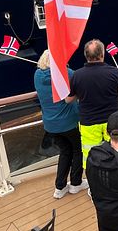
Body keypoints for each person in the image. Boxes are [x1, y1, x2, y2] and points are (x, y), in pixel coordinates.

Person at [66, 39, 118, 169]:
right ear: (102, 54)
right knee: (117, 151)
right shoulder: (113, 71)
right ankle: (117, 179)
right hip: (112, 120)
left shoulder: (77, 75)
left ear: (86, 56)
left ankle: (93, 185)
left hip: (89, 122)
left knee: (90, 155)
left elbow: (68, 100)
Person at [34, 50, 86, 198]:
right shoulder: (66, 73)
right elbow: (80, 80)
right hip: (68, 121)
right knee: (78, 150)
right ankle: (76, 183)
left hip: (50, 125)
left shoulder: (37, 76)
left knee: (65, 152)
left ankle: (60, 187)